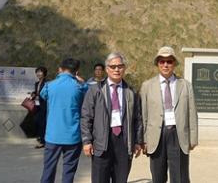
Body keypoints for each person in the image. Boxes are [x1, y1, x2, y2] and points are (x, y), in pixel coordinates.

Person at [81, 52, 143, 183]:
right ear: (107, 69)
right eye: (113, 66)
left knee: (121, 179)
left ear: (124, 68)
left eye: (120, 66)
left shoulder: (131, 91)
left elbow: (138, 118)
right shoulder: (95, 90)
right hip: (102, 142)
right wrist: (87, 141)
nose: (116, 69)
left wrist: (138, 140)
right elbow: (86, 116)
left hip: (123, 142)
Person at [140, 46, 198, 183]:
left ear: (174, 64)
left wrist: (193, 137)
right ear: (157, 64)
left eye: (169, 61)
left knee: (180, 176)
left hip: (177, 134)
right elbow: (143, 115)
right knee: (158, 176)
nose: (165, 65)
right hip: (156, 136)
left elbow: (192, 112)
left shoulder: (185, 85)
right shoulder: (147, 86)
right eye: (162, 61)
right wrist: (143, 139)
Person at [39, 57, 88, 183]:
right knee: (69, 170)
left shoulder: (50, 86)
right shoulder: (80, 87)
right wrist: (83, 82)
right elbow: (89, 94)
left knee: (48, 169)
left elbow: (43, 95)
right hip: (73, 135)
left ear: (60, 69)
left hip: (53, 135)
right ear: (76, 72)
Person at [32, 66, 48, 149]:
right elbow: (36, 92)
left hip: (44, 106)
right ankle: (40, 138)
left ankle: (43, 141)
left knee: (43, 123)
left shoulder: (47, 83)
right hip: (37, 105)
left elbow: (46, 94)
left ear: (44, 73)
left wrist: (38, 95)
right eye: (37, 72)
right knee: (36, 122)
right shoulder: (37, 83)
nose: (38, 74)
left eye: (40, 72)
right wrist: (33, 94)